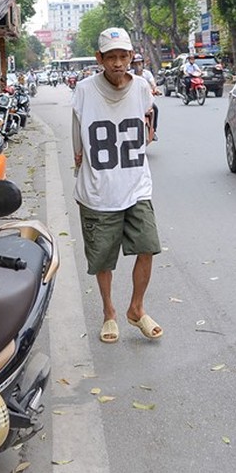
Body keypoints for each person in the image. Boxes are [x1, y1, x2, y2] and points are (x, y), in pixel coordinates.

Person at [73, 28, 164, 344]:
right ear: (99, 59)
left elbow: (148, 124)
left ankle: (136, 309)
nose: (117, 63)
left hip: (137, 184)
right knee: (102, 259)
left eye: (123, 56)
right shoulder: (84, 90)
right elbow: (77, 140)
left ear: (131, 57)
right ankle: (109, 312)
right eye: (110, 57)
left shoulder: (141, 88)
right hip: (98, 190)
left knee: (148, 245)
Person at [131, 53, 161, 140]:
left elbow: (152, 83)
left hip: (146, 99)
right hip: (133, 100)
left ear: (143, 64)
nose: (138, 66)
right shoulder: (129, 74)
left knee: (155, 109)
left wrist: (155, 89)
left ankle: (153, 131)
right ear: (132, 65)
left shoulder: (147, 73)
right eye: (135, 64)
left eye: (139, 63)